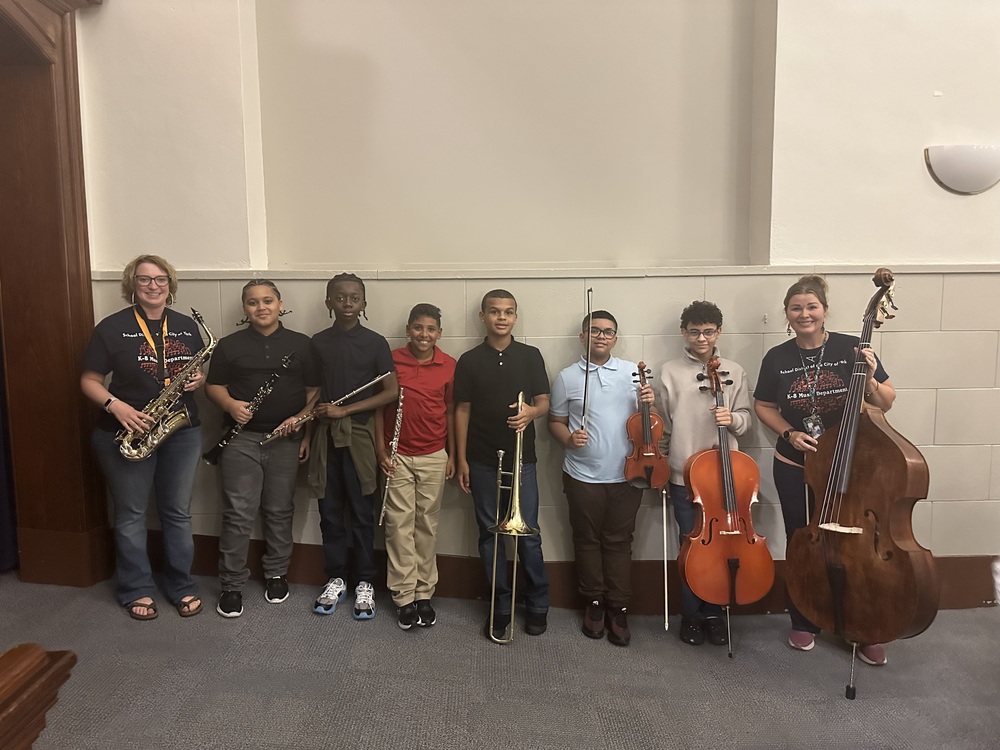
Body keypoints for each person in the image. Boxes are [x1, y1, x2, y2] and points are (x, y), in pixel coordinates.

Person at [753, 275, 895, 666]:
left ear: (824, 311)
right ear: (787, 314)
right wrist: (789, 432)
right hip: (794, 465)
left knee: (857, 542)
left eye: (811, 307)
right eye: (796, 308)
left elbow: (886, 400)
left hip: (849, 465)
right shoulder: (777, 358)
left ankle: (863, 625)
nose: (804, 314)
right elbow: (763, 405)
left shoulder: (853, 347)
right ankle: (804, 619)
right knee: (803, 540)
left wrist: (868, 374)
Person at [80, 255, 206, 620]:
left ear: (171, 282)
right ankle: (136, 587)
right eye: (144, 279)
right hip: (126, 430)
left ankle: (181, 584)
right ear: (131, 284)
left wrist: (199, 379)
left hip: (180, 430)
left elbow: (194, 372)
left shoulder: (184, 325)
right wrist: (114, 406)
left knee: (178, 513)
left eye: (161, 278)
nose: (154, 286)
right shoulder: (111, 327)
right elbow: (88, 380)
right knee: (132, 514)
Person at [205, 280, 320, 618]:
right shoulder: (229, 345)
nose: (261, 307)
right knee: (238, 513)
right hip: (241, 438)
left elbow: (315, 391)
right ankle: (231, 584)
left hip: (285, 439)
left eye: (268, 301)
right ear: (245, 309)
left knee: (279, 509)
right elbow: (214, 386)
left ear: (280, 304)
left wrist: (303, 427)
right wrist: (230, 404)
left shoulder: (302, 344)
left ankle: (276, 573)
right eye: (253, 302)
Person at [652, 300, 752, 647]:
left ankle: (715, 612)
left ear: (718, 332)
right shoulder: (668, 372)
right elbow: (662, 425)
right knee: (691, 546)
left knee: (724, 545)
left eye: (708, 331)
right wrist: (662, 466)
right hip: (684, 476)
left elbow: (746, 417)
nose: (701, 338)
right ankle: (691, 615)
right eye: (694, 331)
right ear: (684, 332)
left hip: (726, 478)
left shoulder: (733, 370)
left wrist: (732, 419)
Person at [548, 310, 651, 647]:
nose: (601, 336)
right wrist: (567, 438)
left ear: (615, 338)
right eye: (594, 331)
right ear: (583, 337)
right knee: (587, 538)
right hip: (582, 475)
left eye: (608, 332)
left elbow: (648, 422)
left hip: (627, 473)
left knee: (620, 540)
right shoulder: (566, 377)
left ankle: (618, 606)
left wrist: (650, 400)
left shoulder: (632, 373)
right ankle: (593, 603)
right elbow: (555, 421)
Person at [454, 289, 550, 640]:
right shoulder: (469, 360)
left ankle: (538, 603)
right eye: (494, 311)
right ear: (483, 316)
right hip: (481, 460)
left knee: (529, 536)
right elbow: (461, 410)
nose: (502, 317)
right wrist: (462, 458)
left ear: (515, 317)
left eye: (508, 312)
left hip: (522, 461)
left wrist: (532, 412)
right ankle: (501, 605)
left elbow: (543, 402)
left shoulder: (530, 355)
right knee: (489, 535)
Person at [308, 273, 398, 619]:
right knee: (330, 512)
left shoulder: (375, 343)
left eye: (355, 298)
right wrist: (306, 432)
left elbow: (390, 391)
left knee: (362, 512)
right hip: (325, 438)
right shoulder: (318, 342)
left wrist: (344, 409)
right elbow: (313, 393)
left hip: (359, 436)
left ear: (364, 303)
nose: (348, 304)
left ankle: (365, 581)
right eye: (340, 298)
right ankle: (336, 577)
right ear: (328, 302)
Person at [375, 303, 456, 631]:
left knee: (427, 525)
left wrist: (450, 453)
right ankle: (403, 595)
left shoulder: (449, 365)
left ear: (439, 333)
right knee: (397, 525)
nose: (424, 334)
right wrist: (381, 450)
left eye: (431, 329)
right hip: (398, 455)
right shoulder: (391, 360)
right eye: (418, 328)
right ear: (409, 329)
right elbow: (379, 408)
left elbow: (450, 411)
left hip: (434, 454)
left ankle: (425, 592)